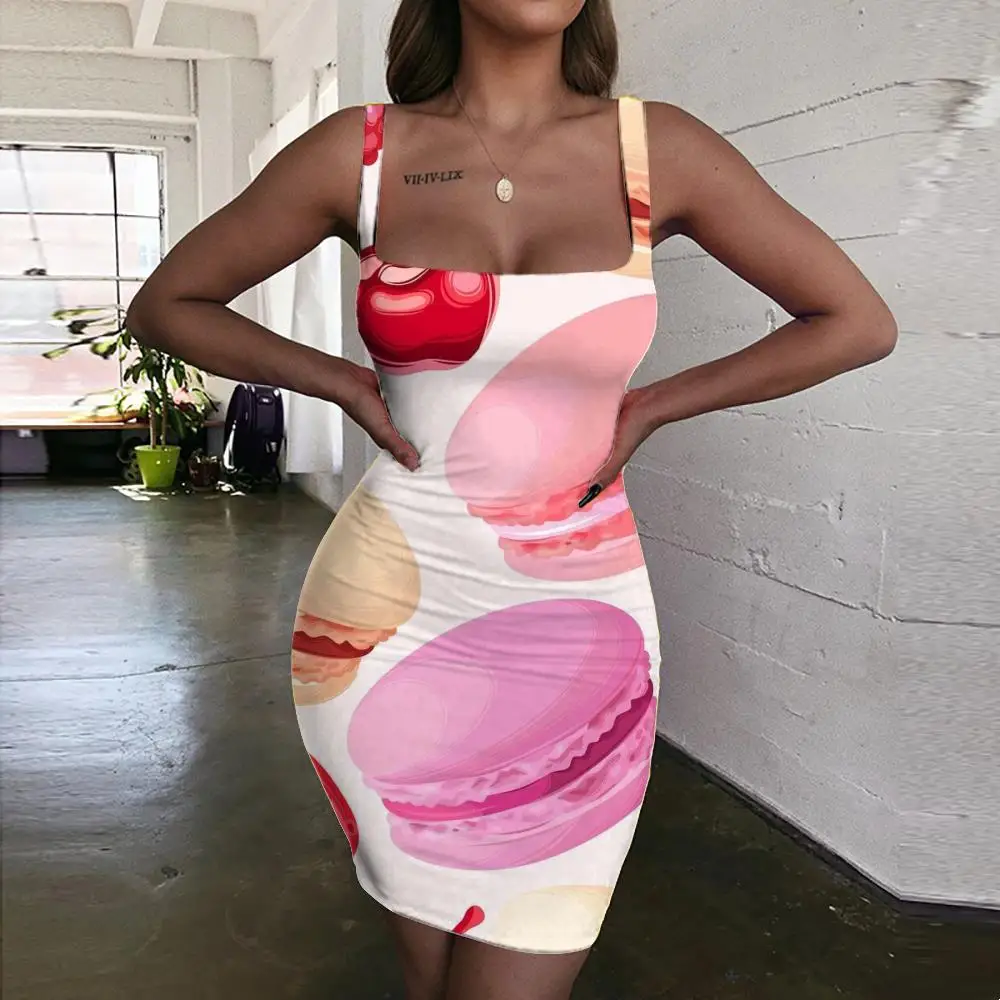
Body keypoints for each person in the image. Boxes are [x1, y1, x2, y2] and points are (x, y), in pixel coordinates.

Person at [126, 1, 898, 997]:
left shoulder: (658, 149)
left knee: (524, 959)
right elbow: (167, 303)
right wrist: (343, 381)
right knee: (433, 970)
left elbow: (855, 320)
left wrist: (655, 405)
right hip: (383, 620)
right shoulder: (359, 154)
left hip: (582, 632)